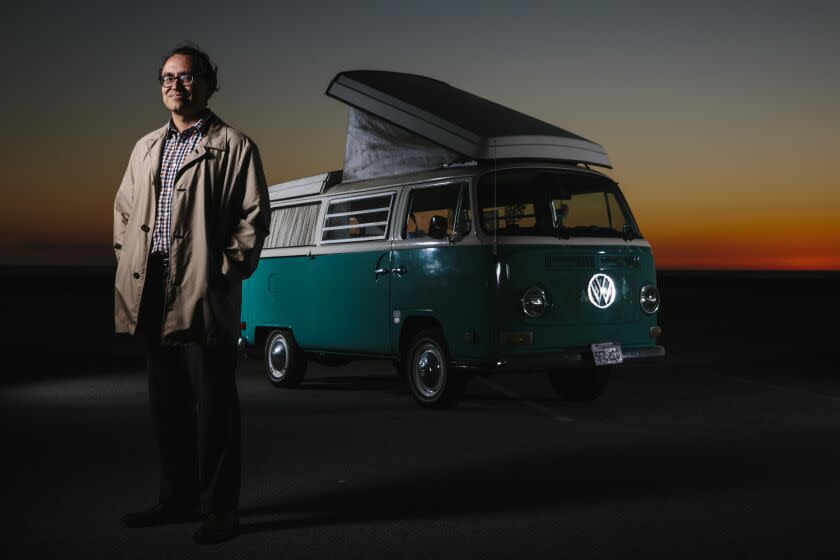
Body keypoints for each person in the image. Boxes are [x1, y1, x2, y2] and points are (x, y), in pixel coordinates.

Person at [113, 43, 270, 544]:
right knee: (168, 402)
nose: (174, 85)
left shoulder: (235, 146)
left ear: (208, 84)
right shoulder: (144, 147)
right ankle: (177, 499)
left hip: (203, 286)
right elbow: (122, 212)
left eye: (186, 77)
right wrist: (129, 259)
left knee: (214, 402)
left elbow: (252, 219)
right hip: (152, 286)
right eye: (166, 77)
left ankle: (220, 508)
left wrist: (222, 268)